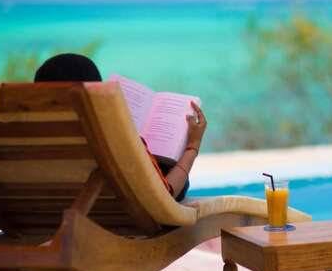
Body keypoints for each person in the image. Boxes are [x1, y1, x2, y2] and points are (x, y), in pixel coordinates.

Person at [34, 53, 206, 201]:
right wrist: (192, 146)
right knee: (168, 172)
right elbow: (165, 195)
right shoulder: (112, 138)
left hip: (41, 219)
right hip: (115, 220)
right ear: (94, 95)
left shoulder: (25, 140)